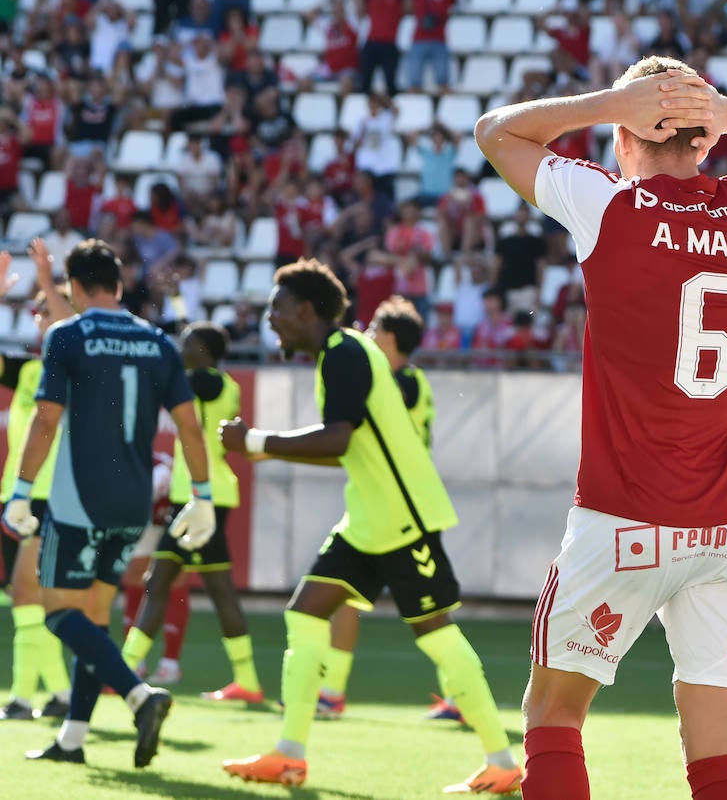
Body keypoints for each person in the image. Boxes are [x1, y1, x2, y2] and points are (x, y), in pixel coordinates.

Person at [474, 55, 727, 800]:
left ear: (625, 138)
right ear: (705, 142)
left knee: (554, 713)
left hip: (622, 517)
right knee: (716, 739)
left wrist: (609, 101)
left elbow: (495, 134)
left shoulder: (610, 205)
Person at [218, 260, 519, 792]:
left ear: (306, 310)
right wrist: (266, 449)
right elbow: (345, 447)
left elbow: (337, 440)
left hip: (403, 520)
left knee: (436, 633)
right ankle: (290, 755)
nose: (270, 319)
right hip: (368, 519)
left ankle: (502, 761)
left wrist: (257, 443)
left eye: (277, 308)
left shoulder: (345, 354)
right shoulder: (341, 354)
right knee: (305, 614)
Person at [2, 239, 218, 767]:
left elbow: (47, 419)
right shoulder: (159, 343)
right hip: (133, 504)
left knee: (55, 613)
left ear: (74, 289)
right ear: (119, 286)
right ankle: (72, 740)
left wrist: (22, 491)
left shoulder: (66, 335)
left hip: (78, 501)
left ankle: (140, 696)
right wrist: (203, 498)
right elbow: (189, 426)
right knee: (96, 619)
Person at [318, 296, 465, 724]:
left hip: (404, 511)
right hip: (374, 506)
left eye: (376, 327)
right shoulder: (395, 377)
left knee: (432, 612)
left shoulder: (404, 381)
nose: (367, 331)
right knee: (341, 594)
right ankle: (331, 693)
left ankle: (462, 697)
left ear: (392, 339)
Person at [120, 322, 263, 705]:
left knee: (171, 582)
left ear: (206, 351)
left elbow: (190, 382)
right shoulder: (214, 382)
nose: (182, 348)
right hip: (200, 496)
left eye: (189, 343)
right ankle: (246, 679)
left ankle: (121, 670)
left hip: (204, 498)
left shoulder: (210, 381)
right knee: (176, 582)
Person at [0, 242, 75, 722]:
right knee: (26, 599)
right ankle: (60, 694)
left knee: (31, 596)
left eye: (46, 309)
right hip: (16, 497)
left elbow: (71, 325)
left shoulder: (79, 369)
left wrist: (47, 279)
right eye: (36, 310)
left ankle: (23, 698)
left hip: (54, 498)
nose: (39, 316)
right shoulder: (29, 370)